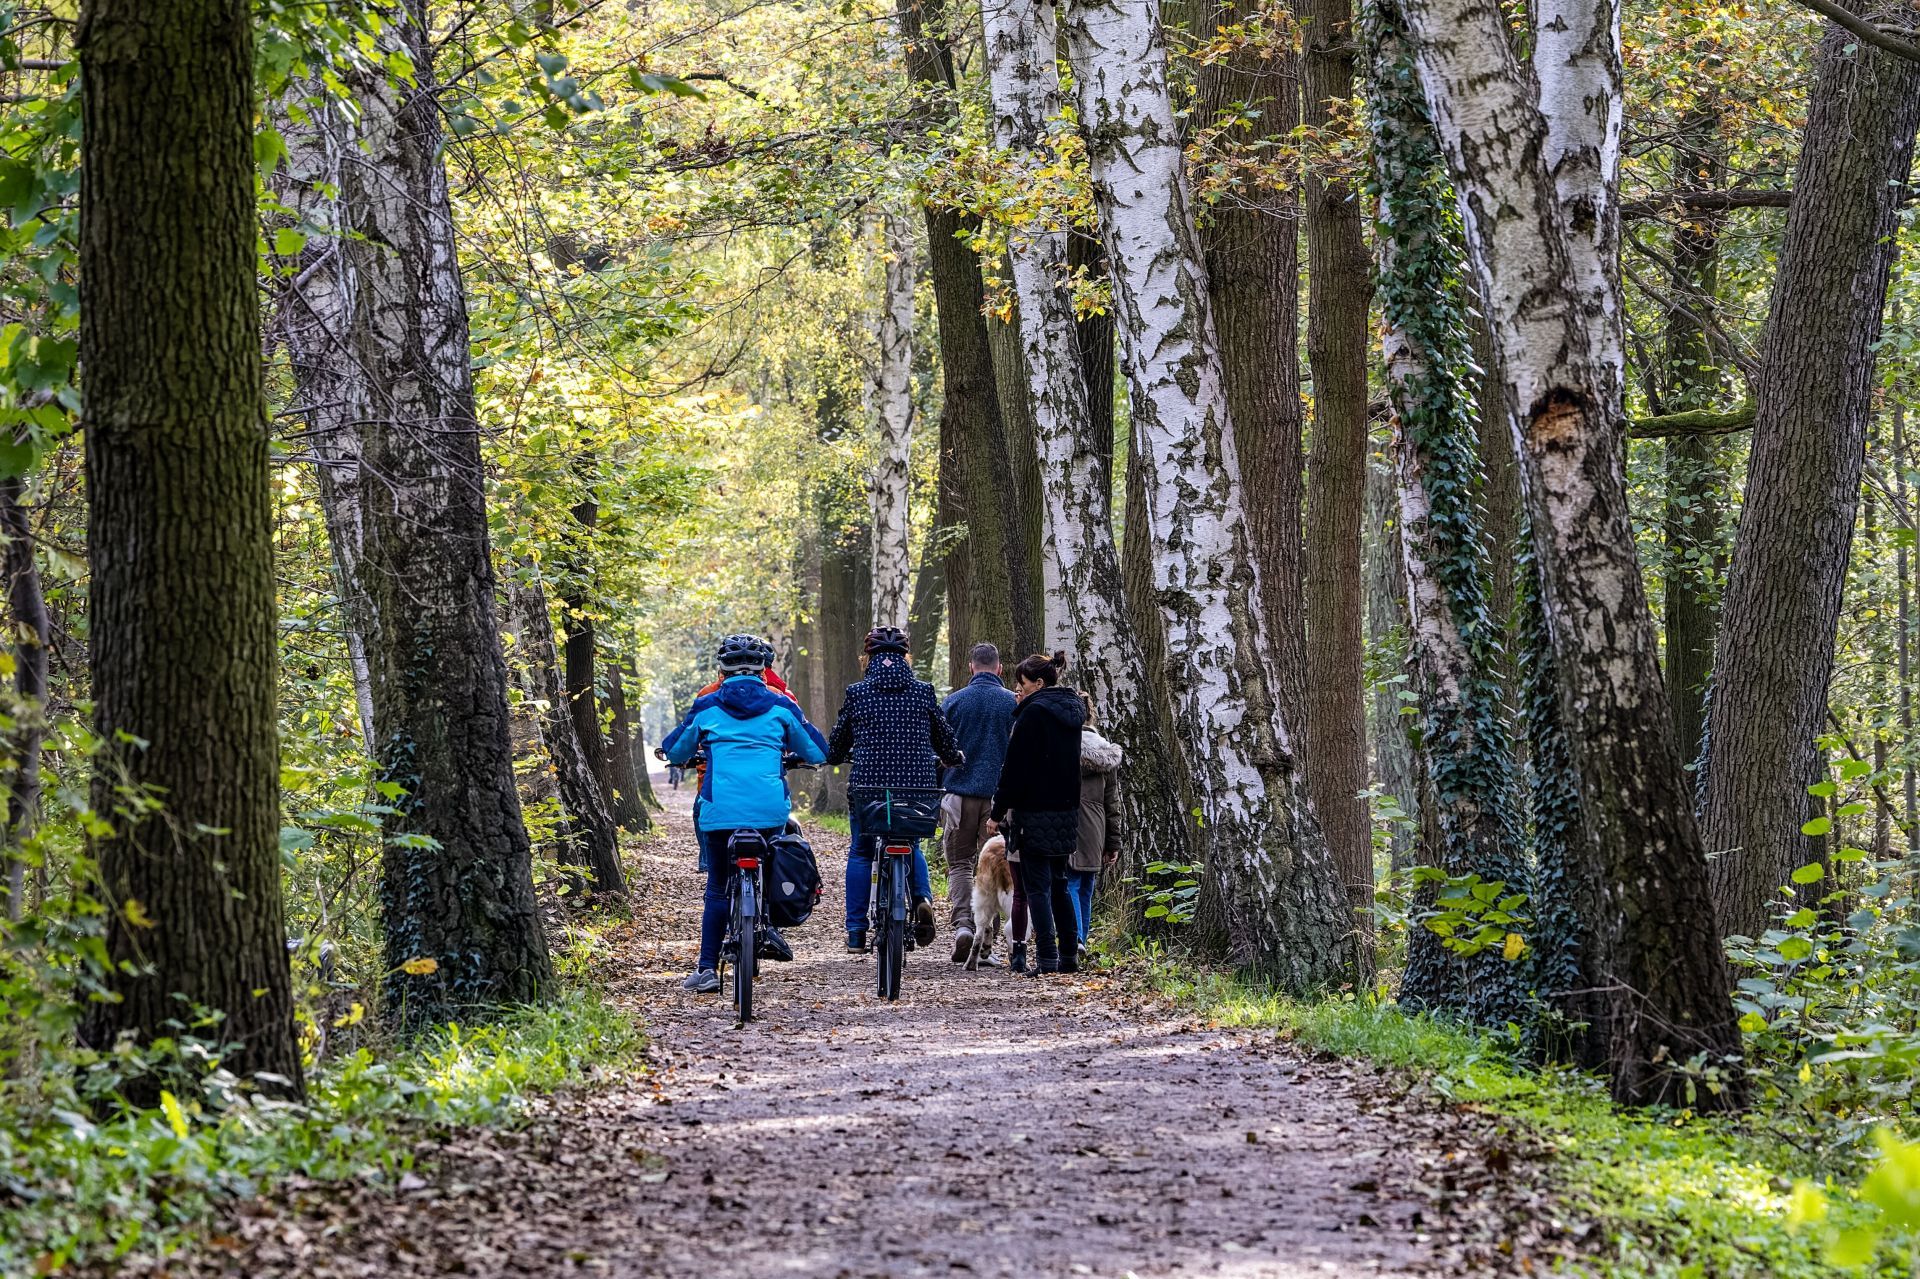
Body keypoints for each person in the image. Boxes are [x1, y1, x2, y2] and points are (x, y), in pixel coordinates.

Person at [661, 634, 827, 993]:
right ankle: (766, 925)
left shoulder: (706, 705)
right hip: (768, 811)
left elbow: (674, 751)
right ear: (764, 670)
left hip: (719, 811)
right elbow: (816, 751)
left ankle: (706, 969)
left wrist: (687, 756)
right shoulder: (781, 706)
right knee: (768, 860)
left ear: (721, 670)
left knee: (719, 885)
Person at [826, 625, 965, 954]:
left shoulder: (857, 693)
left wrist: (835, 755)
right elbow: (943, 736)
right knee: (910, 842)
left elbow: (837, 743)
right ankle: (922, 899)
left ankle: (857, 932)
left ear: (867, 658)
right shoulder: (923, 692)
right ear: (906, 657)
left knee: (861, 852)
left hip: (869, 789)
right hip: (915, 787)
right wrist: (952, 756)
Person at [990, 651, 1084, 975]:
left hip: (1034, 812)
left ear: (1038, 683)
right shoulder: (1073, 713)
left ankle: (1046, 956)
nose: (1020, 689)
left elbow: (1014, 771)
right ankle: (1069, 955)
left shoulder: (1032, 716)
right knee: (1059, 883)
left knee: (1037, 888)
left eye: (1023, 683)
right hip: (1067, 812)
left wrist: (997, 811)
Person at [938, 642, 1017, 963]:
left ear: (971, 667)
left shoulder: (953, 703)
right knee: (997, 869)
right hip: (1000, 801)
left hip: (957, 796)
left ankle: (963, 926)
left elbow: (940, 751)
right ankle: (987, 943)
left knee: (959, 863)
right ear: (999, 668)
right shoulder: (1013, 704)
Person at [1070, 690, 1123, 961]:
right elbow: (1112, 802)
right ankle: (1082, 938)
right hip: (1096, 825)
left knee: (1069, 880)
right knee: (1086, 884)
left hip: (1064, 819)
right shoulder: (1106, 751)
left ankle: (1074, 937)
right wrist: (1113, 842)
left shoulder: (1060, 745)